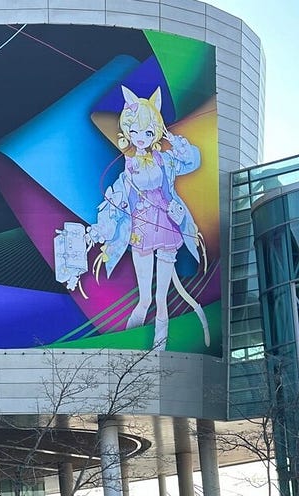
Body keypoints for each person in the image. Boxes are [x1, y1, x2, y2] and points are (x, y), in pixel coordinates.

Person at [63, 85, 208, 351]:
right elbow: (115, 205)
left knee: (162, 299)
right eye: (135, 131)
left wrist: (172, 139)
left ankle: (159, 351)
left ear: (156, 132)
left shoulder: (166, 160)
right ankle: (127, 347)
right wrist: (97, 233)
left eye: (148, 131)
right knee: (144, 299)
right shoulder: (128, 170)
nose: (140, 137)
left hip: (165, 226)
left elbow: (193, 161)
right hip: (140, 229)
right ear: (128, 132)